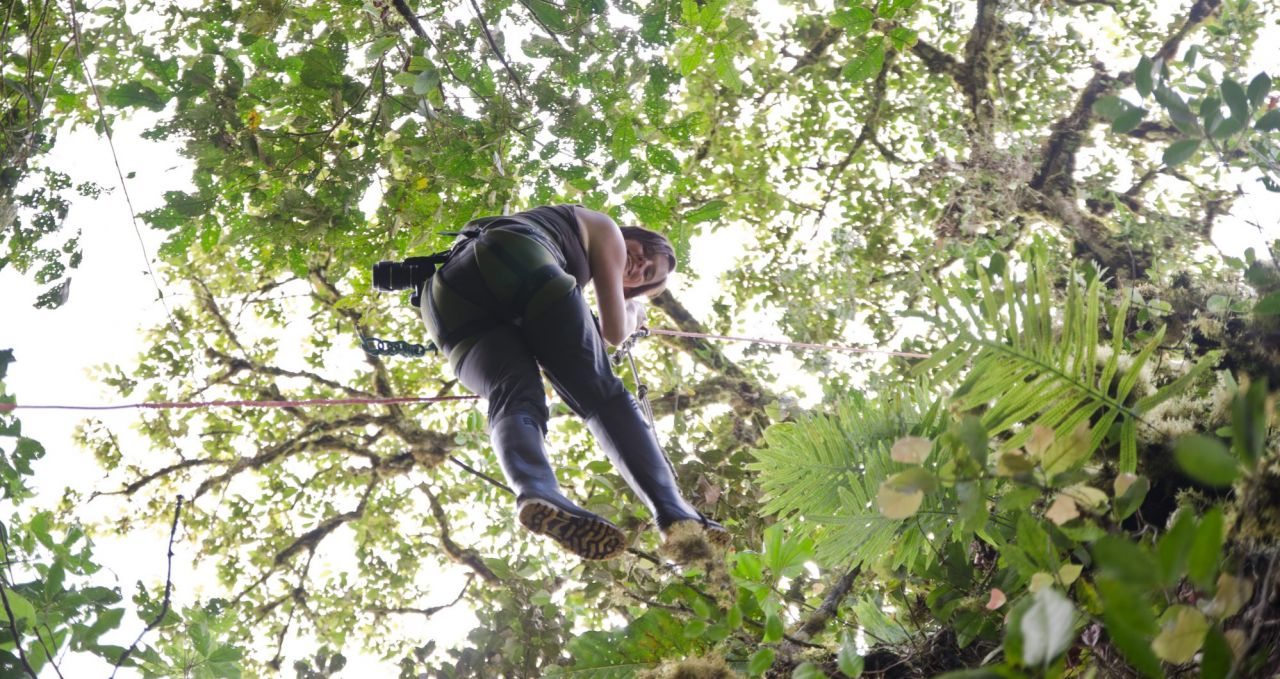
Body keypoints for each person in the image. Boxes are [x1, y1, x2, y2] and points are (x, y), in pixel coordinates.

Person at [419, 204, 728, 560]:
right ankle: (676, 513)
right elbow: (613, 332)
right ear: (630, 236)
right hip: (517, 255)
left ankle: (537, 491)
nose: (638, 264)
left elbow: (570, 336)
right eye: (644, 253)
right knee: (603, 397)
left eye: (646, 274)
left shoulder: (567, 266)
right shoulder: (606, 229)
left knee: (515, 395)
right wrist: (633, 311)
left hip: (447, 301)